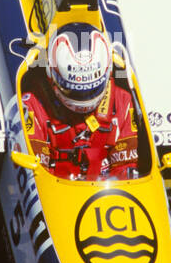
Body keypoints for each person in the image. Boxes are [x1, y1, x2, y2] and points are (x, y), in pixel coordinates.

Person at [22, 24, 140, 180]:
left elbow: (125, 170)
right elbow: (36, 175)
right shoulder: (34, 105)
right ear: (51, 75)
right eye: (74, 91)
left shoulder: (121, 102)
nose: (84, 98)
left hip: (106, 195)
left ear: (108, 72)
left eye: (92, 89)